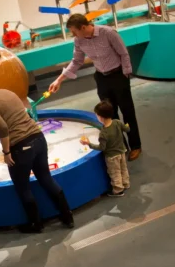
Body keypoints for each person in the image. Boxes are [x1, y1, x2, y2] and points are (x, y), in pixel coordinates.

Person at [0, 76, 75, 233]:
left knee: (23, 187)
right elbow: (23, 114)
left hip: (21, 146)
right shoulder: (7, 92)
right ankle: (67, 216)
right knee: (46, 178)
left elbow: (2, 128)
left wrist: (6, 152)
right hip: (38, 137)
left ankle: (36, 224)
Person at [49, 14, 142, 161]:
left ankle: (135, 146)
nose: (73, 34)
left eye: (74, 31)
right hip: (101, 78)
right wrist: (59, 80)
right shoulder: (79, 40)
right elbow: (76, 61)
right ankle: (121, 146)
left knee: (127, 112)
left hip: (118, 75)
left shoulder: (108, 33)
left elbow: (123, 53)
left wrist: (125, 75)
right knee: (109, 115)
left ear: (84, 27)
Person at [80, 100, 130, 197]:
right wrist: (127, 125)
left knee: (115, 173)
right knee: (123, 169)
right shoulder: (117, 122)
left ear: (101, 117)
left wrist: (88, 143)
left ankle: (118, 190)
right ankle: (126, 183)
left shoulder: (104, 133)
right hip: (122, 152)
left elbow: (102, 147)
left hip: (111, 157)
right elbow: (127, 129)